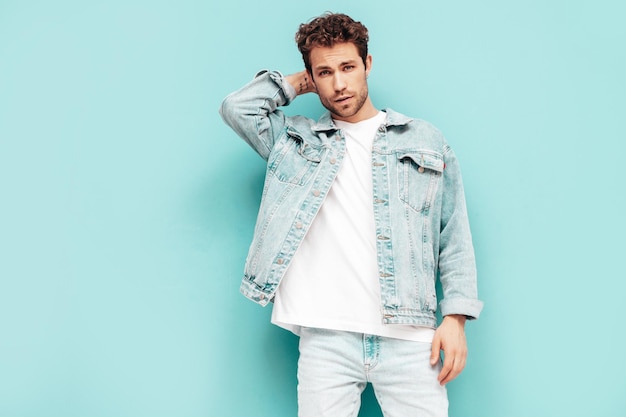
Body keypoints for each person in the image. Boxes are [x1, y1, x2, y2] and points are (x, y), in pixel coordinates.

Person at [219, 12, 483, 417]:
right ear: (312, 77)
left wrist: (456, 318)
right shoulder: (295, 142)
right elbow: (238, 108)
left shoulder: (424, 140)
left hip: (410, 337)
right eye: (324, 72)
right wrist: (296, 82)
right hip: (326, 337)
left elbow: (454, 233)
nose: (339, 83)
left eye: (348, 67)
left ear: (368, 65)